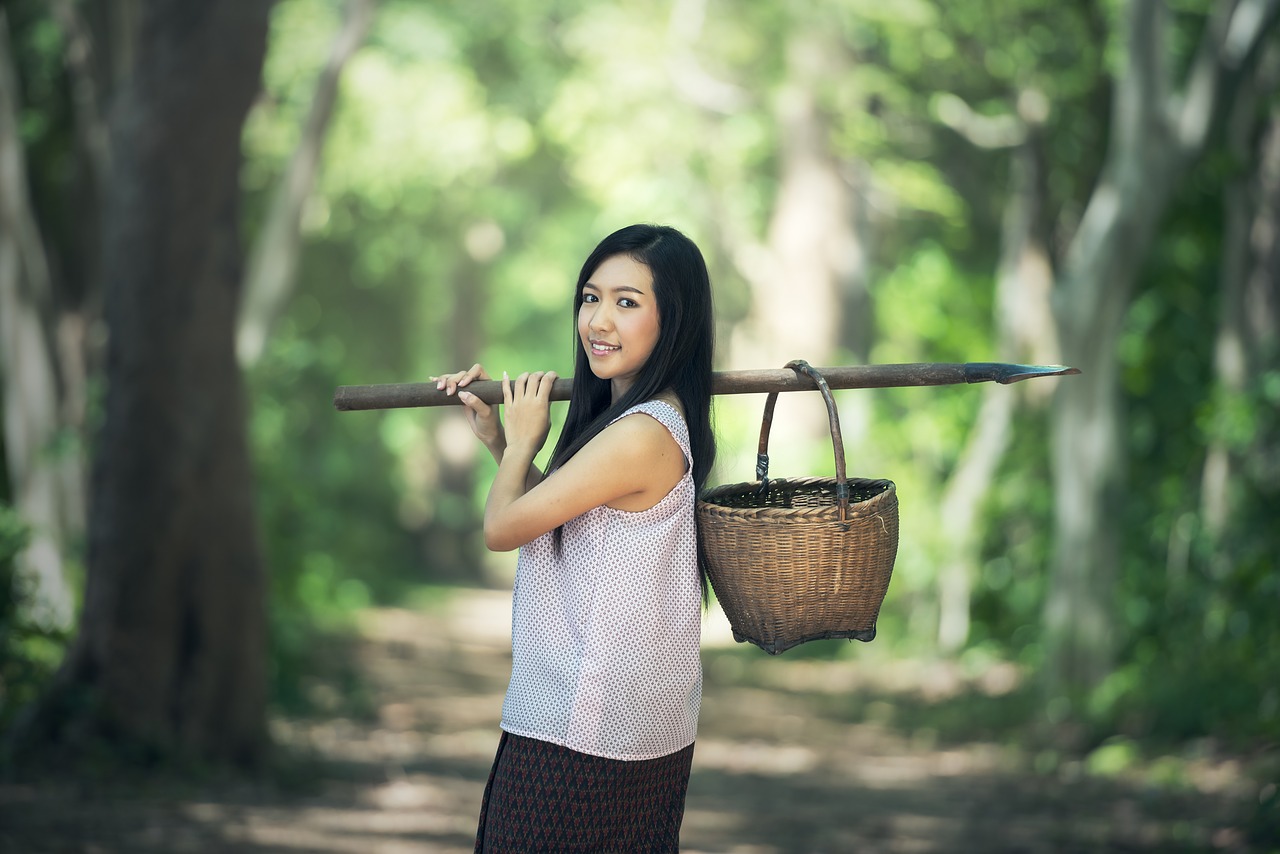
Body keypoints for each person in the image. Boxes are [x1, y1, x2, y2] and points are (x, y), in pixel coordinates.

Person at [433, 223, 716, 852]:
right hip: (624, 726)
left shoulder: (643, 431)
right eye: (590, 298)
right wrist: (503, 444)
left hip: (581, 728)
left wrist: (529, 436)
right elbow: (562, 513)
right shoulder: (638, 423)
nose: (599, 321)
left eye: (627, 301)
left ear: (674, 322)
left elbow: (503, 529)